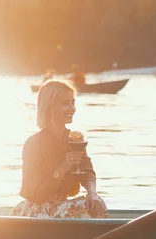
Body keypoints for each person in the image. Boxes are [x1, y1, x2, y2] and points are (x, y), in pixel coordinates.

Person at [11, 80, 108, 219]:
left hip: (61, 206)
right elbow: (36, 196)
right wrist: (63, 167)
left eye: (73, 103)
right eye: (65, 103)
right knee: (85, 210)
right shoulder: (34, 144)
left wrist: (92, 192)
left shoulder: (74, 139)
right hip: (37, 210)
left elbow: (87, 171)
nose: (72, 108)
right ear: (50, 107)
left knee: (97, 204)